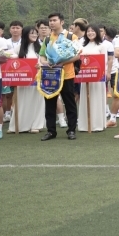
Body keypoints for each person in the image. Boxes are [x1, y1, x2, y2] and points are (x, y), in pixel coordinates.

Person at [37, 13, 81, 141]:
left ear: (62, 22)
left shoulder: (71, 37)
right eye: (50, 20)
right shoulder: (47, 39)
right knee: (50, 103)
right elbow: (42, 55)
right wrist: (45, 63)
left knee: (70, 103)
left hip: (67, 75)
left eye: (54, 20)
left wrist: (62, 63)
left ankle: (71, 130)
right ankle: (51, 131)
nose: (51, 23)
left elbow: (77, 55)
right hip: (51, 75)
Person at [10, 26, 46, 134]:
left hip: (37, 80)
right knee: (22, 102)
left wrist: (40, 65)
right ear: (26, 35)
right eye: (32, 33)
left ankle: (36, 125)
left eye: (36, 33)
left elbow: (46, 61)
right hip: (23, 81)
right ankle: (19, 125)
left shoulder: (41, 48)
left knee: (37, 102)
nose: (35, 35)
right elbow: (12, 61)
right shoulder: (18, 48)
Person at [77, 22, 109, 132]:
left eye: (92, 31)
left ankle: (97, 124)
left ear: (97, 32)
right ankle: (85, 125)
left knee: (96, 99)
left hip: (97, 78)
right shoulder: (82, 45)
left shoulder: (102, 46)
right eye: (88, 31)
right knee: (85, 99)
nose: (90, 33)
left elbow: (104, 61)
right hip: (85, 77)